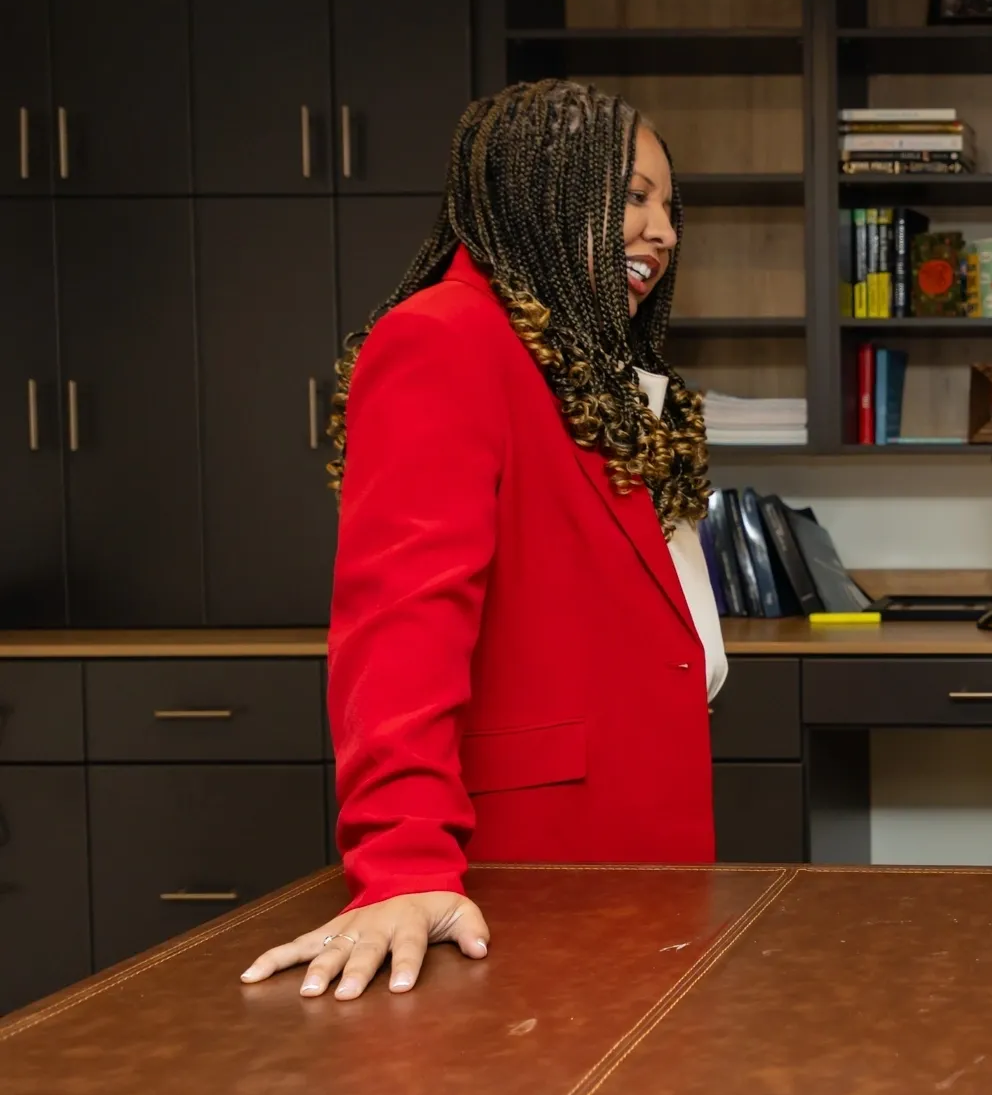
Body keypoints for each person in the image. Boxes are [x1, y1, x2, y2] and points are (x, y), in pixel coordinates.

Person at [240, 80, 723, 1000]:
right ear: (539, 190)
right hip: (521, 878)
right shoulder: (444, 339)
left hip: (637, 872)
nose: (662, 230)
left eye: (670, 206)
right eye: (631, 197)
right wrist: (402, 866)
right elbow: (400, 625)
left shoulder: (581, 367)